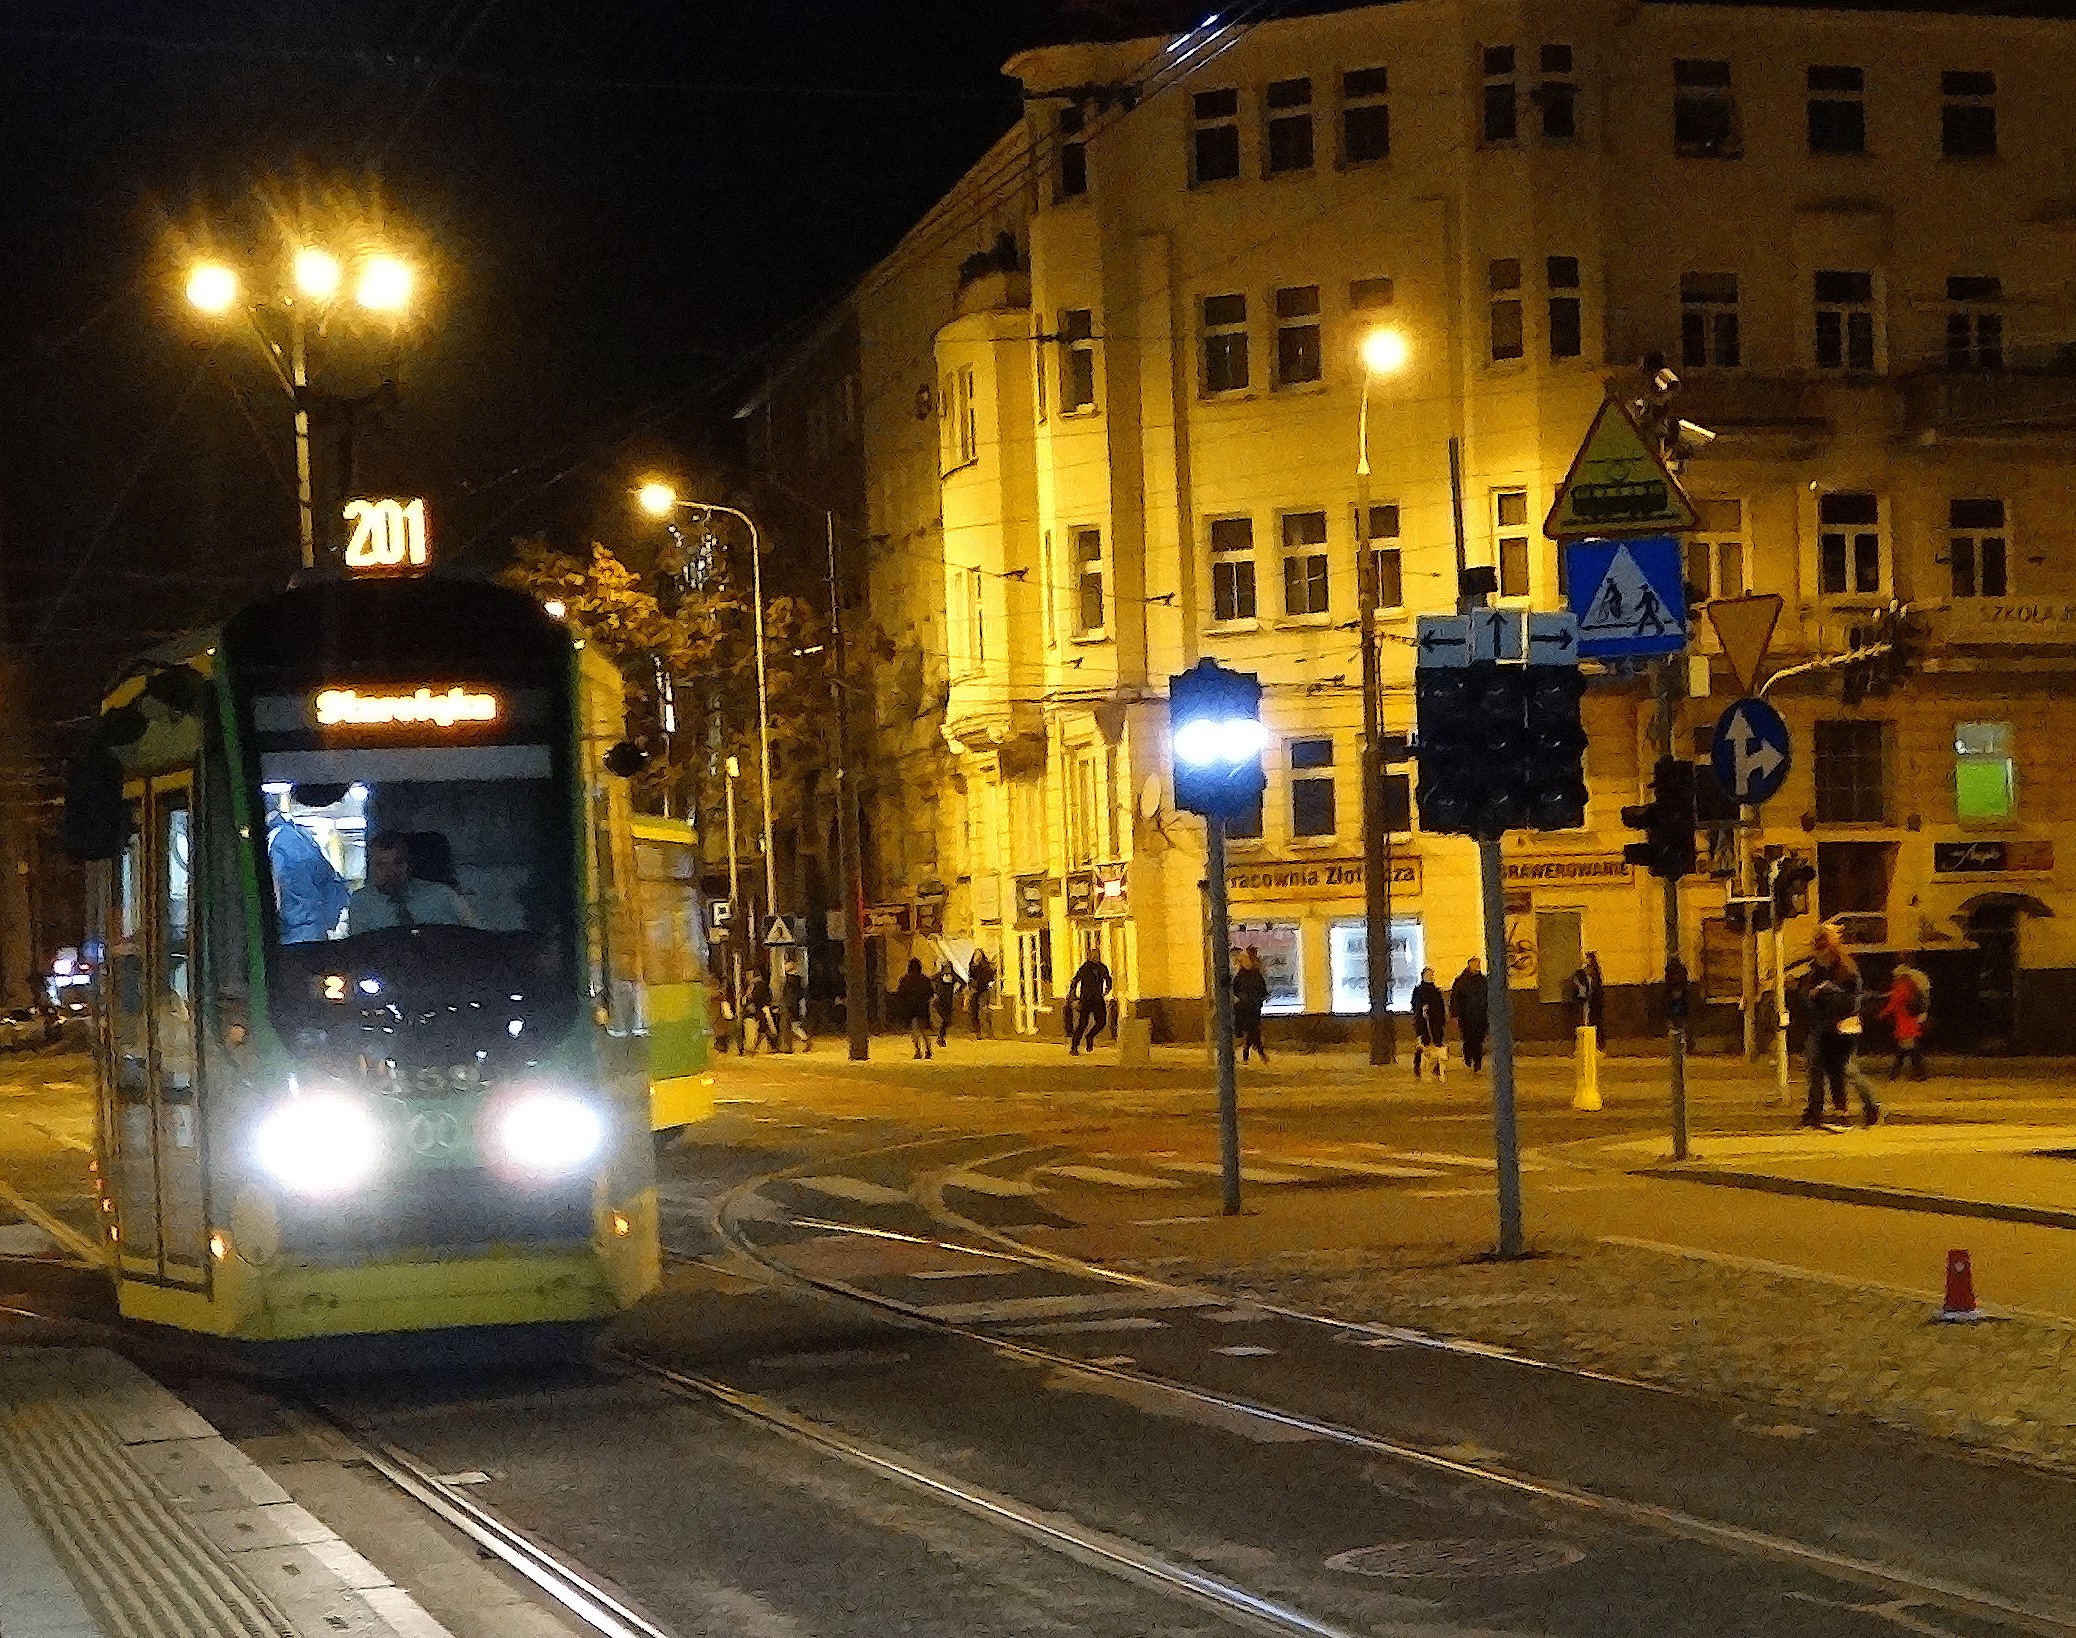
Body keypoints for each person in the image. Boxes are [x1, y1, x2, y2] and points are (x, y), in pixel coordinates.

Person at [1802, 924, 1878, 1127]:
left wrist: (1829, 992)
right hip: (1822, 1025)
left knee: (1846, 1068)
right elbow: (1808, 994)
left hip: (1843, 1025)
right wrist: (1812, 994)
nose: (1818, 953)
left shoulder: (1846, 969)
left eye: (1821, 948)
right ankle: (1814, 1112)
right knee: (1816, 1067)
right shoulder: (1817, 968)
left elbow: (1854, 1000)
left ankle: (1871, 1106)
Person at [346, 831, 474, 935]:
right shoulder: (361, 903)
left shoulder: (442, 895)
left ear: (408, 865)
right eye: (381, 865)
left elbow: (479, 936)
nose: (390, 872)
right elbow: (359, 952)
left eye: (398, 863)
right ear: (371, 868)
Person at [267, 809, 348, 943]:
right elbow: (334, 887)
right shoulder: (293, 837)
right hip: (309, 932)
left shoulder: (284, 845)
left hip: (299, 936)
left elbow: (297, 901)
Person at [1881, 954, 1932, 1082]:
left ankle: (1897, 1074)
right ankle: (1913, 1072)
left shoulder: (1901, 986)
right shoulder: (1911, 985)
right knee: (1908, 1048)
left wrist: (1884, 1012)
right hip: (1911, 1018)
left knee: (1905, 1048)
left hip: (1904, 1019)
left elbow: (1895, 1002)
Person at [1068, 945, 1112, 1054]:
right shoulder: (1085, 967)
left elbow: (1108, 978)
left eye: (1097, 955)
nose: (1095, 958)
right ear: (1089, 956)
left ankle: (1090, 1036)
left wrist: (1108, 988)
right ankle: (1074, 1047)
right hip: (1086, 999)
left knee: (1102, 1022)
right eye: (1093, 955)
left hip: (1097, 999)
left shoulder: (1102, 968)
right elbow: (1075, 980)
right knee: (1082, 1024)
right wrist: (1073, 994)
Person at [1450, 957, 1489, 1073]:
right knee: (1468, 1038)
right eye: (1475, 964)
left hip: (1481, 1015)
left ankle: (1477, 1061)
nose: (1478, 966)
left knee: (1479, 1039)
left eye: (1478, 964)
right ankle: (1468, 1057)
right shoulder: (1462, 981)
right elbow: (1455, 998)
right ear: (1469, 965)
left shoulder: (1483, 981)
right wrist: (1455, 1014)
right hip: (1466, 1015)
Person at [1232, 946, 1269, 1063]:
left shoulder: (1242, 976)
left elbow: (1235, 990)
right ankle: (1256, 1053)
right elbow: (1263, 990)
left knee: (1251, 1031)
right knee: (1253, 1031)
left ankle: (1248, 1053)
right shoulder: (1254, 975)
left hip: (1246, 1007)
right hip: (1252, 1007)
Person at [1410, 967, 1448, 1080]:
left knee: (1437, 1046)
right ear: (1423, 976)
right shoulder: (1419, 990)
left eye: (1432, 974)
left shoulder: (1436, 991)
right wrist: (1423, 1009)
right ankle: (1418, 1067)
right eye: (1428, 974)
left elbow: (1440, 1007)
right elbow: (1415, 1005)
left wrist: (1442, 1018)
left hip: (1436, 1023)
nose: (1431, 976)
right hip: (1423, 1023)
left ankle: (1436, 1068)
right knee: (1422, 1045)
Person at [894, 958, 935, 1059]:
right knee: (923, 1030)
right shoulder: (924, 979)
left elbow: (900, 994)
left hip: (910, 1008)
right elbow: (930, 992)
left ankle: (917, 1050)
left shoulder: (905, 980)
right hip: (921, 1008)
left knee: (914, 1030)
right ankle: (928, 1049)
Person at [1570, 952, 1606, 1046]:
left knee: (1593, 1021)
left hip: (1592, 999)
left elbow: (1594, 987)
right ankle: (1594, 1043)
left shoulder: (1593, 972)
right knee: (1591, 1020)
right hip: (1589, 998)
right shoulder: (1588, 972)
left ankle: (1596, 1043)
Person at [744, 968, 781, 1053]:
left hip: (763, 1011)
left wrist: (750, 995)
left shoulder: (761, 985)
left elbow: (760, 999)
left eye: (749, 974)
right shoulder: (748, 986)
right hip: (756, 1012)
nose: (747, 976)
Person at [932, 959, 963, 1047]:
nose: (947, 977)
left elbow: (960, 982)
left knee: (946, 1022)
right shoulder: (940, 986)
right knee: (944, 1021)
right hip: (940, 1005)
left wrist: (956, 987)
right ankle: (940, 1038)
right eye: (945, 975)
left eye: (949, 975)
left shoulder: (951, 986)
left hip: (947, 1006)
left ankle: (941, 1038)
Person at [968, 949, 997, 1038]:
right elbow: (969, 977)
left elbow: (990, 976)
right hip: (973, 990)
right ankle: (975, 1031)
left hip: (983, 990)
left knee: (982, 1009)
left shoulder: (985, 967)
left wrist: (989, 983)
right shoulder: (971, 966)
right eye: (976, 955)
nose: (978, 957)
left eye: (979, 956)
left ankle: (985, 1031)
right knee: (972, 1011)